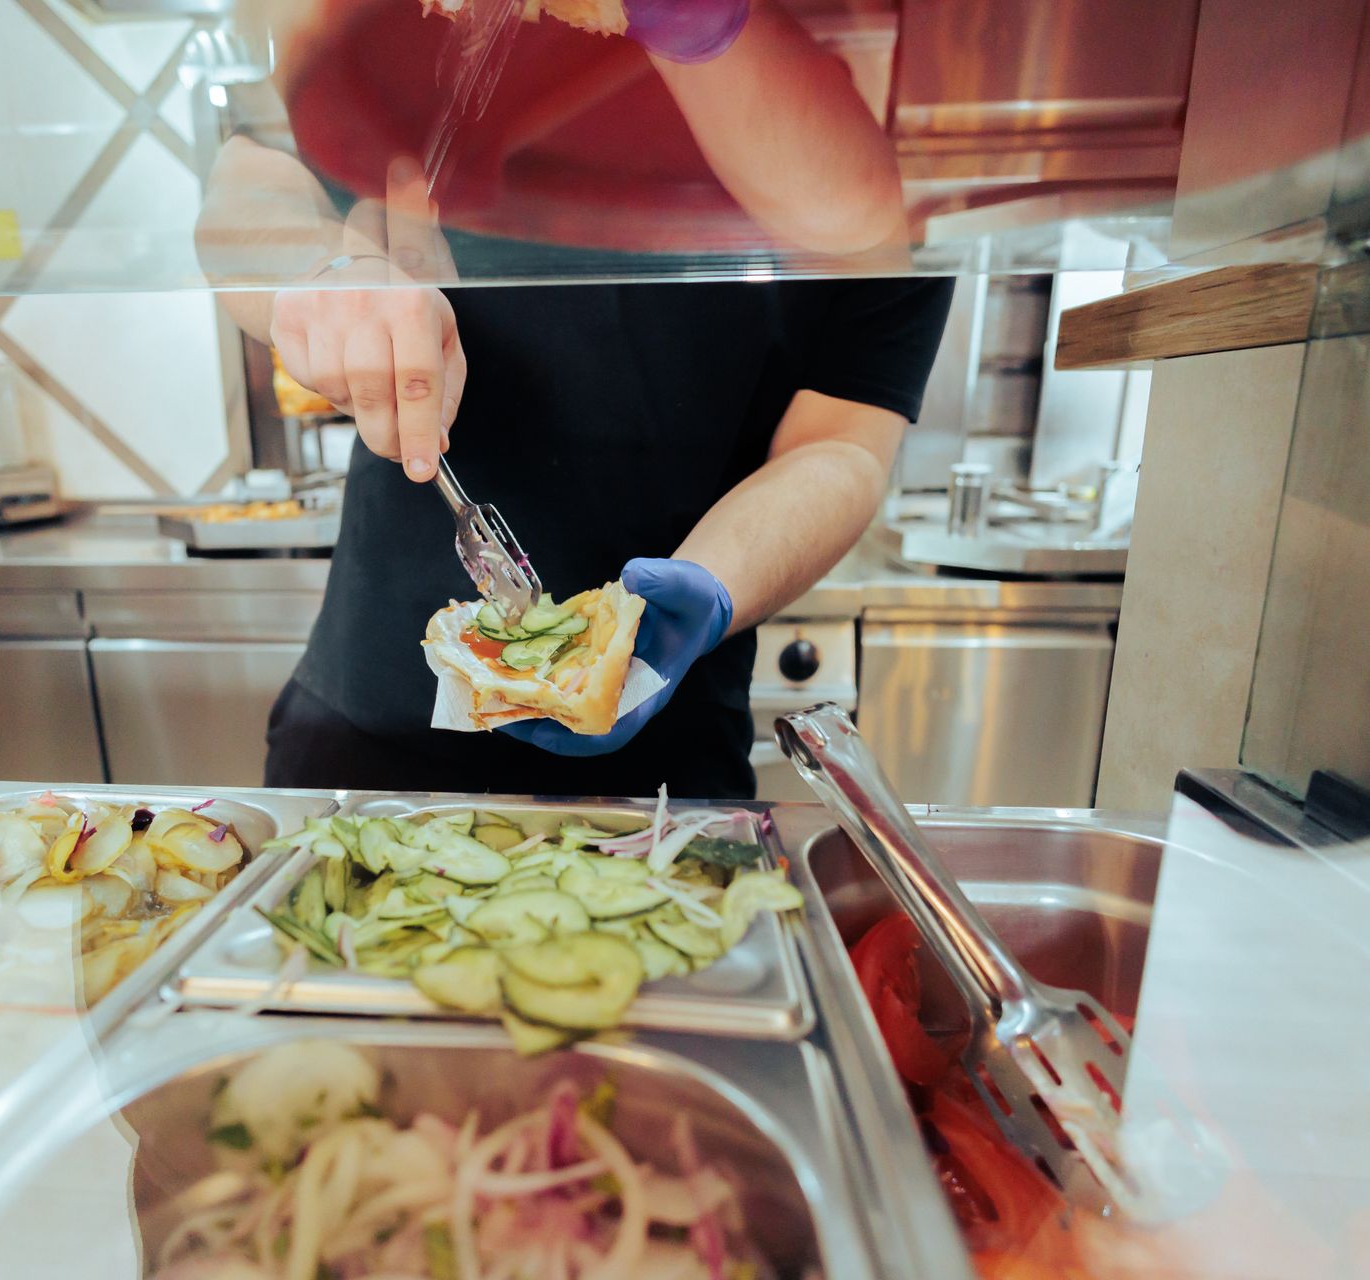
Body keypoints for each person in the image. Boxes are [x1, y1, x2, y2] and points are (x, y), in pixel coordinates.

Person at [199, 0, 952, 799]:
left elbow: (841, 442)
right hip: (372, 741)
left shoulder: (910, 104)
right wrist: (320, 279)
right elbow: (252, 180)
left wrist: (709, 585)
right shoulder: (463, 28)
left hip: (672, 755)